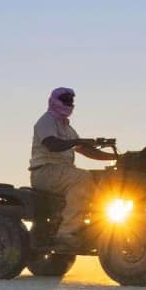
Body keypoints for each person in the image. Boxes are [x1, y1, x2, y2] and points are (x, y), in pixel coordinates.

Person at [29, 88, 117, 247]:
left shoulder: (67, 128)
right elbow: (52, 144)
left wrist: (117, 157)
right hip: (45, 171)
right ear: (55, 100)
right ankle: (67, 232)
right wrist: (78, 142)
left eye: (71, 100)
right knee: (82, 178)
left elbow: (86, 150)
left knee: (103, 179)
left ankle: (97, 228)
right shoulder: (46, 121)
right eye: (65, 99)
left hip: (62, 172)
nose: (69, 102)